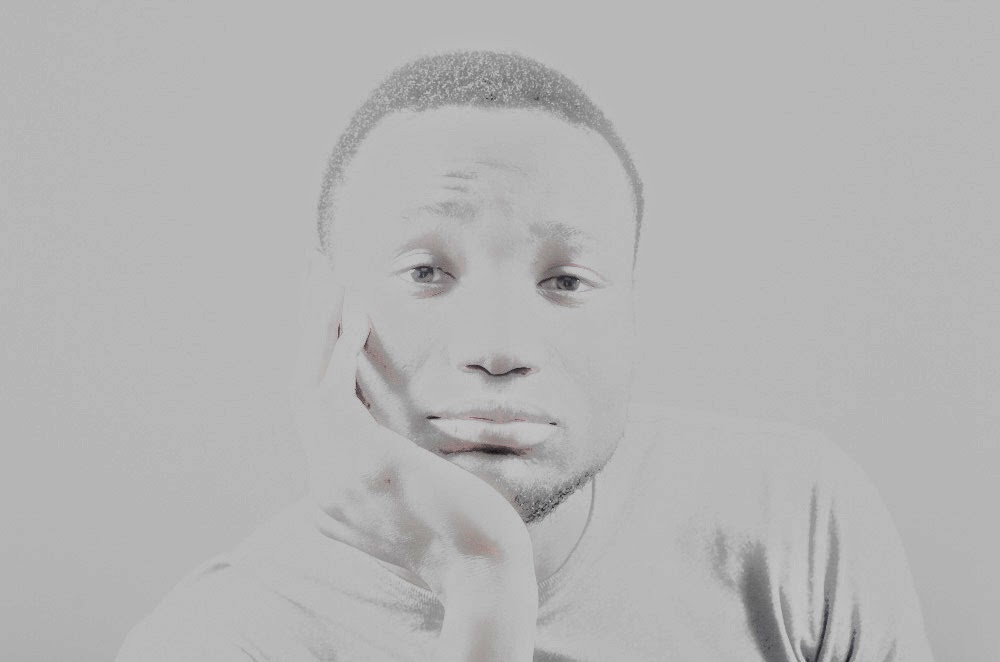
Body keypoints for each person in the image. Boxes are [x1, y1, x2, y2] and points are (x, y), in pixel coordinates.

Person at [116, 51, 935, 661]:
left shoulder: (791, 518)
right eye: (426, 272)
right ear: (323, 311)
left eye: (567, 280)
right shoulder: (225, 639)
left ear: (632, 309)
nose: (499, 350)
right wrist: (483, 581)